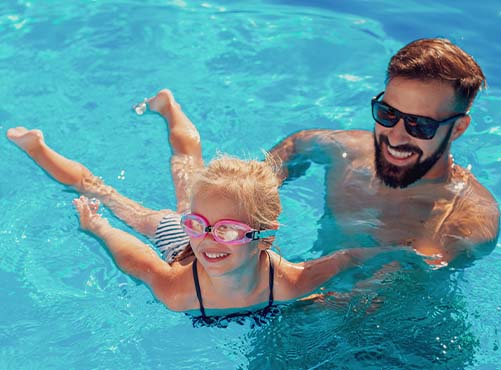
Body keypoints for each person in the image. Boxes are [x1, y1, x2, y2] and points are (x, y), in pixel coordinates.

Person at [7, 90, 405, 324]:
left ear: (264, 239)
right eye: (208, 224)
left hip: (194, 223)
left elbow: (351, 258)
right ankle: (36, 146)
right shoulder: (179, 291)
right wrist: (99, 229)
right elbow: (137, 260)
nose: (213, 241)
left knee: (188, 168)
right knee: (108, 195)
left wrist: (401, 257)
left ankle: (167, 104)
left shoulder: (292, 282)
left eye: (229, 231)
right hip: (177, 236)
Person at [269, 38, 500, 266]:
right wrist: (263, 191)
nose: (395, 137)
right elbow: (296, 144)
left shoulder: (462, 221)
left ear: (457, 129)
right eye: (387, 114)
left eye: (419, 125)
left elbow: (389, 293)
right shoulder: (349, 152)